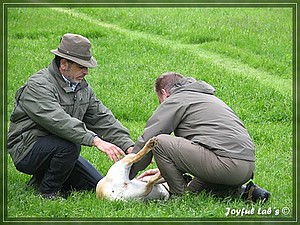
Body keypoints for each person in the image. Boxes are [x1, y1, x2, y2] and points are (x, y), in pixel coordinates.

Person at [7, 33, 134, 199]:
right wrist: (95, 140)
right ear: (64, 64)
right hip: (27, 148)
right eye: (81, 66)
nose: (86, 71)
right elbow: (59, 121)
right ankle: (48, 193)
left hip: (59, 146)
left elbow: (102, 119)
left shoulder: (82, 88)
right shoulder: (38, 85)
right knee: (69, 147)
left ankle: (41, 178)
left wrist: (129, 146)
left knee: (94, 185)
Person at [129, 72, 270, 203]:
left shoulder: (176, 99)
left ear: (164, 93)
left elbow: (150, 138)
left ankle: (179, 197)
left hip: (225, 164)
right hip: (246, 167)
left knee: (159, 143)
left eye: (160, 101)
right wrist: (168, 170)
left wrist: (126, 171)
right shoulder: (207, 98)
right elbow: (204, 145)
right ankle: (244, 192)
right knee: (194, 190)